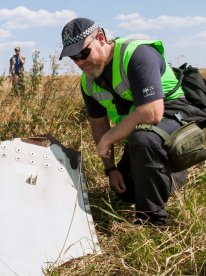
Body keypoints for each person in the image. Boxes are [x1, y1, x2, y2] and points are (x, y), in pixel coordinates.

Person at [59, 18, 190, 226]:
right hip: (140, 129)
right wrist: (111, 170)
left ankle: (151, 221)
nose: (81, 62)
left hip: (173, 117)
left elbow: (152, 113)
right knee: (127, 192)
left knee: (143, 139)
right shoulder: (89, 81)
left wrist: (109, 139)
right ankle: (165, 174)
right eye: (74, 58)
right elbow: (99, 125)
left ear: (101, 38)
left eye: (84, 53)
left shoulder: (137, 55)